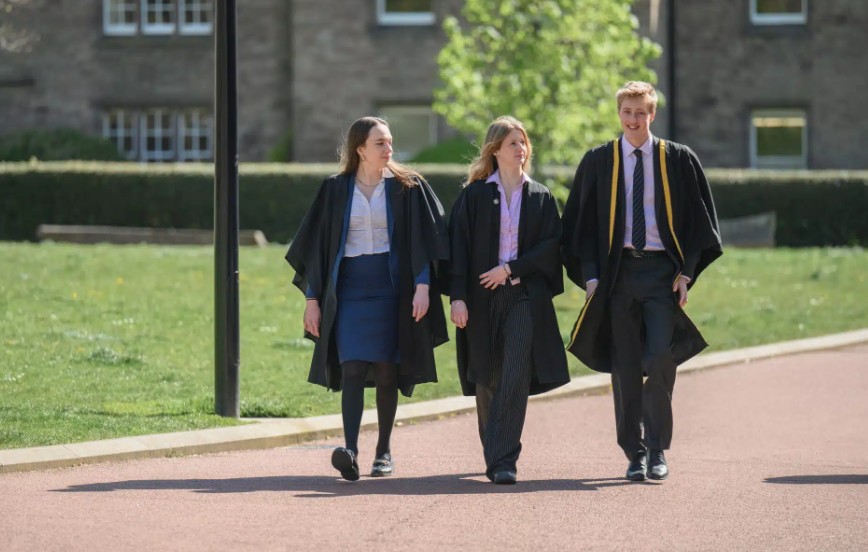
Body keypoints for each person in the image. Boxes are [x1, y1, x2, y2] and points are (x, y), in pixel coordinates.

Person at [562, 81, 722, 481]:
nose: (633, 120)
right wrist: (591, 277)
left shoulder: (678, 159)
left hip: (661, 274)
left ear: (652, 114)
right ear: (619, 113)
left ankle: (656, 448)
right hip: (617, 275)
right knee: (626, 365)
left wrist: (687, 272)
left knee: (661, 358)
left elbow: (699, 222)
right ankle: (633, 453)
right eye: (627, 113)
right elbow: (580, 226)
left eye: (640, 113)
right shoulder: (599, 161)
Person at [285, 116, 449, 481]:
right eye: (380, 143)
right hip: (349, 292)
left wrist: (423, 285)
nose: (389, 148)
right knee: (353, 368)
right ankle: (351, 452)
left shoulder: (408, 187)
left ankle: (384, 451)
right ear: (360, 149)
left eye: (389, 141)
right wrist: (312, 299)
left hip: (393, 290)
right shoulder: (335, 189)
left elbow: (426, 240)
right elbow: (317, 250)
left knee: (388, 369)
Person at [447, 116, 569, 485]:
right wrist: (457, 298)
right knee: (486, 375)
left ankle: (504, 459)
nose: (520, 148)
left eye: (523, 142)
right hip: (480, 298)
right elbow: (457, 250)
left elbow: (551, 248)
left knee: (515, 371)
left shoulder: (540, 196)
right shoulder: (474, 196)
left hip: (523, 295)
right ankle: (495, 449)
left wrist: (511, 269)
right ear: (495, 150)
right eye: (512, 142)